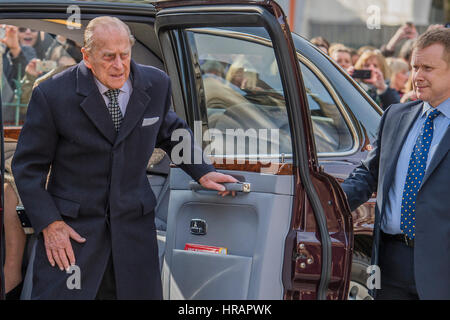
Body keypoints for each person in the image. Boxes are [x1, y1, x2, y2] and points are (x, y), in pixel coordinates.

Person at [11, 16, 237, 300]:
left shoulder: (156, 83)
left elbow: (170, 130)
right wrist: (50, 224)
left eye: (124, 55)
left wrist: (202, 171)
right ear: (87, 56)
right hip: (72, 237)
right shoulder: (53, 94)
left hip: (133, 235)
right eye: (109, 57)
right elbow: (27, 167)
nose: (119, 65)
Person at [341, 28, 450, 300]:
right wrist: (329, 204)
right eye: (415, 67)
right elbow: (368, 173)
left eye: (428, 68)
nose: (417, 76)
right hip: (389, 262)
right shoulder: (395, 115)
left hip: (442, 266)